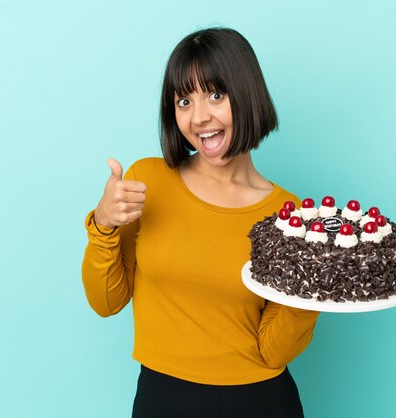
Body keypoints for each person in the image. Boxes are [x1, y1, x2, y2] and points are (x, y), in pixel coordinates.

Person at [82, 27, 319, 418]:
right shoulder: (147, 182)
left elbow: (275, 350)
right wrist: (104, 225)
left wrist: (311, 287)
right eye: (183, 100)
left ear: (247, 94)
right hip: (161, 399)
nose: (199, 117)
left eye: (216, 94)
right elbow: (106, 302)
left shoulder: (288, 215)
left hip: (259, 402)